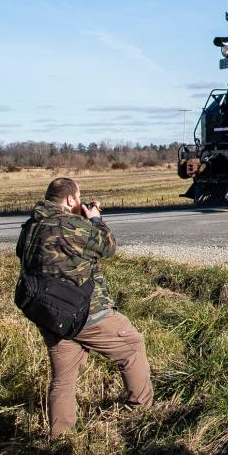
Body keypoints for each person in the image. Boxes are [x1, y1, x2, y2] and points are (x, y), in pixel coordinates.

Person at [15, 177, 154, 439]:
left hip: (50, 314)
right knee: (133, 346)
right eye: (77, 197)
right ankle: (142, 413)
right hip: (87, 312)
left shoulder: (30, 226)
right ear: (70, 200)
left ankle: (60, 438)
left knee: (63, 379)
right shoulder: (71, 225)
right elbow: (108, 245)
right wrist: (95, 219)